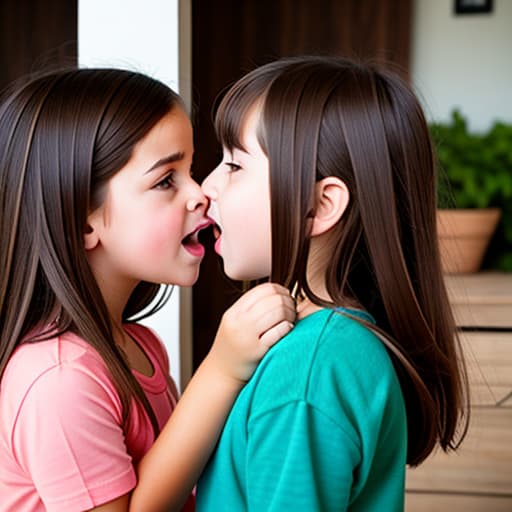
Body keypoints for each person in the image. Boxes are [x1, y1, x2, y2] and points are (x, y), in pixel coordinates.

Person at [0, 68, 295, 512]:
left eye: (190, 170)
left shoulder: (140, 345)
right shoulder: (59, 381)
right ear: (85, 220)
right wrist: (221, 370)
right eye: (165, 181)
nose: (201, 193)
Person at [198, 56, 470, 511]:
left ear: (320, 205)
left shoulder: (308, 372)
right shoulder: (340, 345)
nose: (207, 185)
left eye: (234, 166)